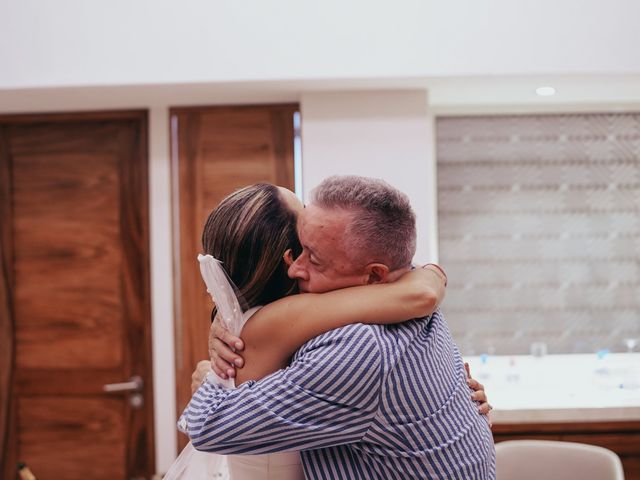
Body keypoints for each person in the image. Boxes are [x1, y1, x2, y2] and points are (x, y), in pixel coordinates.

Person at [183, 176, 496, 479]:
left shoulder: (356, 343)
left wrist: (210, 378)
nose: (298, 265)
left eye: (313, 256)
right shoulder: (392, 300)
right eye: (299, 246)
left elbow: (207, 425)